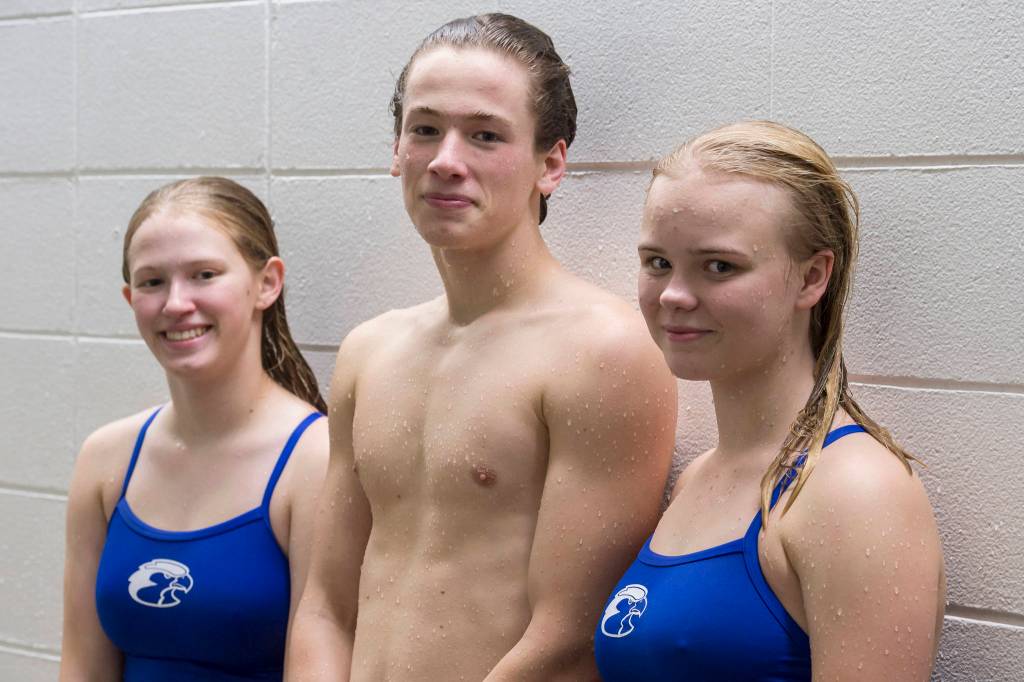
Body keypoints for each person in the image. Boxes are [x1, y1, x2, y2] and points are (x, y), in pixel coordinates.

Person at [286, 13, 677, 681]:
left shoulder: (603, 351)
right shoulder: (368, 353)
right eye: (426, 129)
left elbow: (568, 636)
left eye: (486, 135)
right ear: (396, 149)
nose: (445, 160)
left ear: (550, 164)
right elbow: (325, 606)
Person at [594, 120, 945, 680]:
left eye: (719, 266)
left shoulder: (855, 492)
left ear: (811, 277)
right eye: (657, 262)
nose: (674, 296)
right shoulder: (699, 477)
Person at [60, 177, 330, 681]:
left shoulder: (314, 460)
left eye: (204, 274)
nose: (175, 303)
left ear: (266, 283)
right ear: (129, 297)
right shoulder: (106, 459)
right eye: (152, 282)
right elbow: (81, 666)